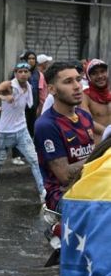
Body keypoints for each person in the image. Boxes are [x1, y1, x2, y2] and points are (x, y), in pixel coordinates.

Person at [34, 61, 96, 212]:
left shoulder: (85, 117)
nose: (77, 86)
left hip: (90, 188)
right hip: (64, 196)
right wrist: (99, 156)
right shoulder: (46, 125)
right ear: (52, 89)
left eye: (78, 79)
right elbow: (65, 176)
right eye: (68, 82)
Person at [0, 62, 45, 202]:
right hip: (5, 132)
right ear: (15, 73)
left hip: (22, 130)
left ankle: (43, 192)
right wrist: (4, 98)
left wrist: (0, 109)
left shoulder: (28, 86)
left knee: (34, 160)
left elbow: (19, 105)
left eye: (25, 71)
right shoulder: (8, 85)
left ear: (29, 74)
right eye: (20, 71)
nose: (23, 74)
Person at [82, 59, 110, 141]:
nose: (100, 76)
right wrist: (107, 132)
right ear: (88, 77)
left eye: (102, 71)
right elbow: (87, 121)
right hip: (97, 146)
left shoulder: (110, 95)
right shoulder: (85, 96)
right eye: (94, 73)